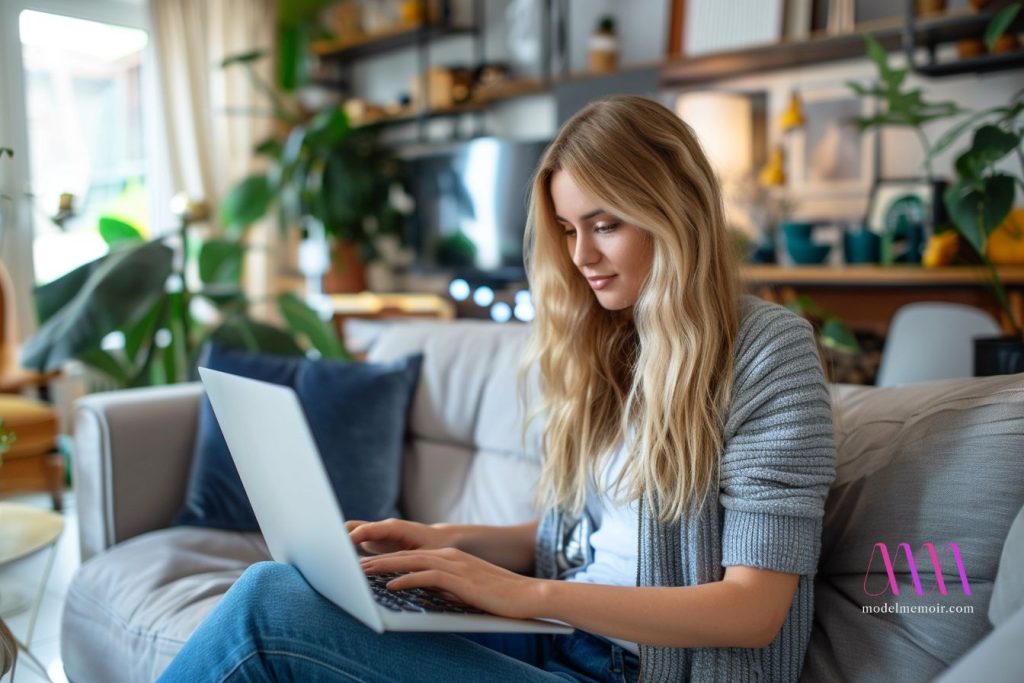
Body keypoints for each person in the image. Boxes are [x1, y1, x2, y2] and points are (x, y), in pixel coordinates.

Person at [159, 95, 837, 682]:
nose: (581, 257)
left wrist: (525, 593)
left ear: (674, 212)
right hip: (565, 638)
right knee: (299, 585)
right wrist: (443, 543)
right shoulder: (618, 340)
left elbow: (753, 608)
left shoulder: (767, 352)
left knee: (267, 610)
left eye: (605, 224)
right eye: (569, 230)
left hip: (633, 667)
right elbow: (587, 542)